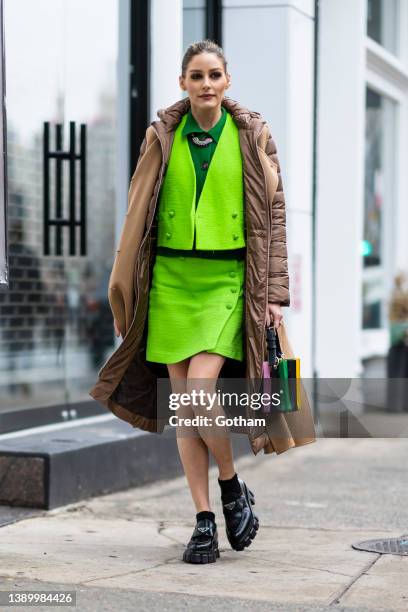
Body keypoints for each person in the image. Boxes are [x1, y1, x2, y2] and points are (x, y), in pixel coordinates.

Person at [114, 40, 287, 564]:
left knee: (200, 390)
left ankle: (232, 485)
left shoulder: (253, 134)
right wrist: (126, 287)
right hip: (169, 280)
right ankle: (205, 520)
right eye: (196, 75)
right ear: (183, 82)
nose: (206, 83)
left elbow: (274, 214)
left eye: (214, 74)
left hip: (228, 280)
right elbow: (137, 209)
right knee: (184, 408)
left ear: (227, 80)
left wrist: (274, 293)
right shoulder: (161, 135)